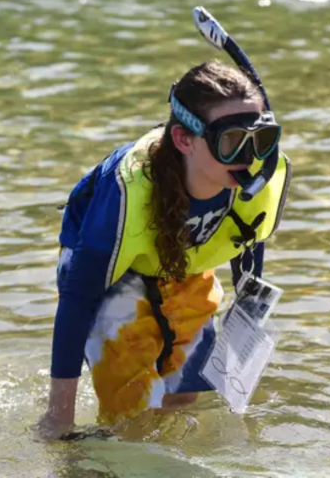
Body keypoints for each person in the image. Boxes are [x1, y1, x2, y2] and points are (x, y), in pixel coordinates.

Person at [37, 60, 291, 439]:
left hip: (180, 259)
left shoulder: (257, 180)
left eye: (260, 139)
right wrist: (59, 417)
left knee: (188, 396)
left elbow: (248, 251)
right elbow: (77, 300)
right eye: (230, 140)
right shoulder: (128, 194)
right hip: (114, 270)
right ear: (184, 139)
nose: (248, 156)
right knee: (133, 416)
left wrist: (241, 347)